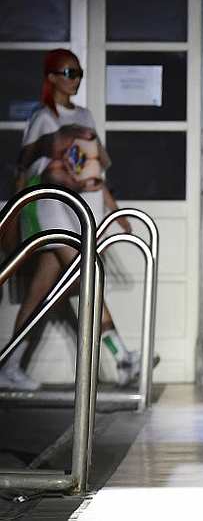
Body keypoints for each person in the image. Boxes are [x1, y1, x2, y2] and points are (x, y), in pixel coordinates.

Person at [0, 49, 139, 390]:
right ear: (51, 77)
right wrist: (12, 220)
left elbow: (92, 169)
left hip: (77, 207)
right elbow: (23, 172)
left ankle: (9, 362)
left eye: (78, 73)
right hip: (49, 205)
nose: (74, 79)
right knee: (86, 274)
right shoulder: (42, 118)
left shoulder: (87, 117)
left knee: (40, 292)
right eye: (67, 72)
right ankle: (120, 356)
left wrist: (114, 208)